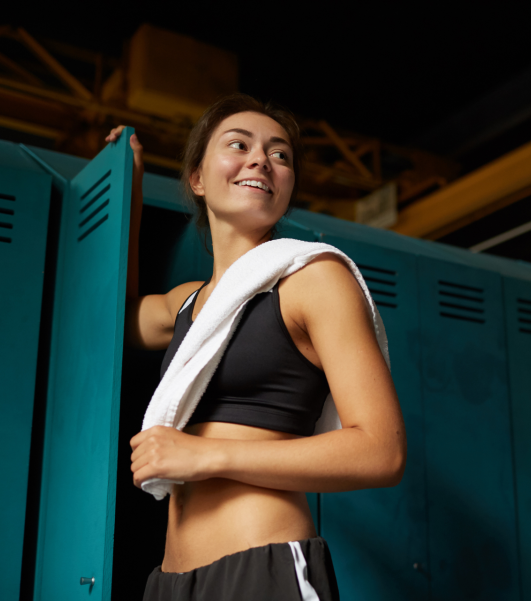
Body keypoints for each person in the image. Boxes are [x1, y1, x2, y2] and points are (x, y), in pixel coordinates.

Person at [108, 93, 406, 600]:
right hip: (170, 581)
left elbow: (381, 451)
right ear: (198, 179)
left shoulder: (312, 278)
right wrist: (125, 184)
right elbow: (118, 314)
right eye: (238, 144)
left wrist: (203, 456)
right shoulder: (188, 305)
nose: (261, 160)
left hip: (263, 565)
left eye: (280, 153)